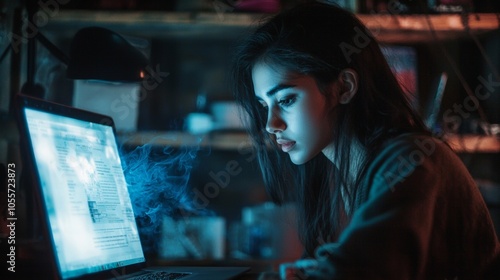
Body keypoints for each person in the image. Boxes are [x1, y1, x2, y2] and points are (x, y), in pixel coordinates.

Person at [230, 1, 500, 279]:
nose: (271, 124)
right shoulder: (345, 172)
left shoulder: (412, 161)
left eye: (286, 99)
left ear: (344, 87)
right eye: (264, 106)